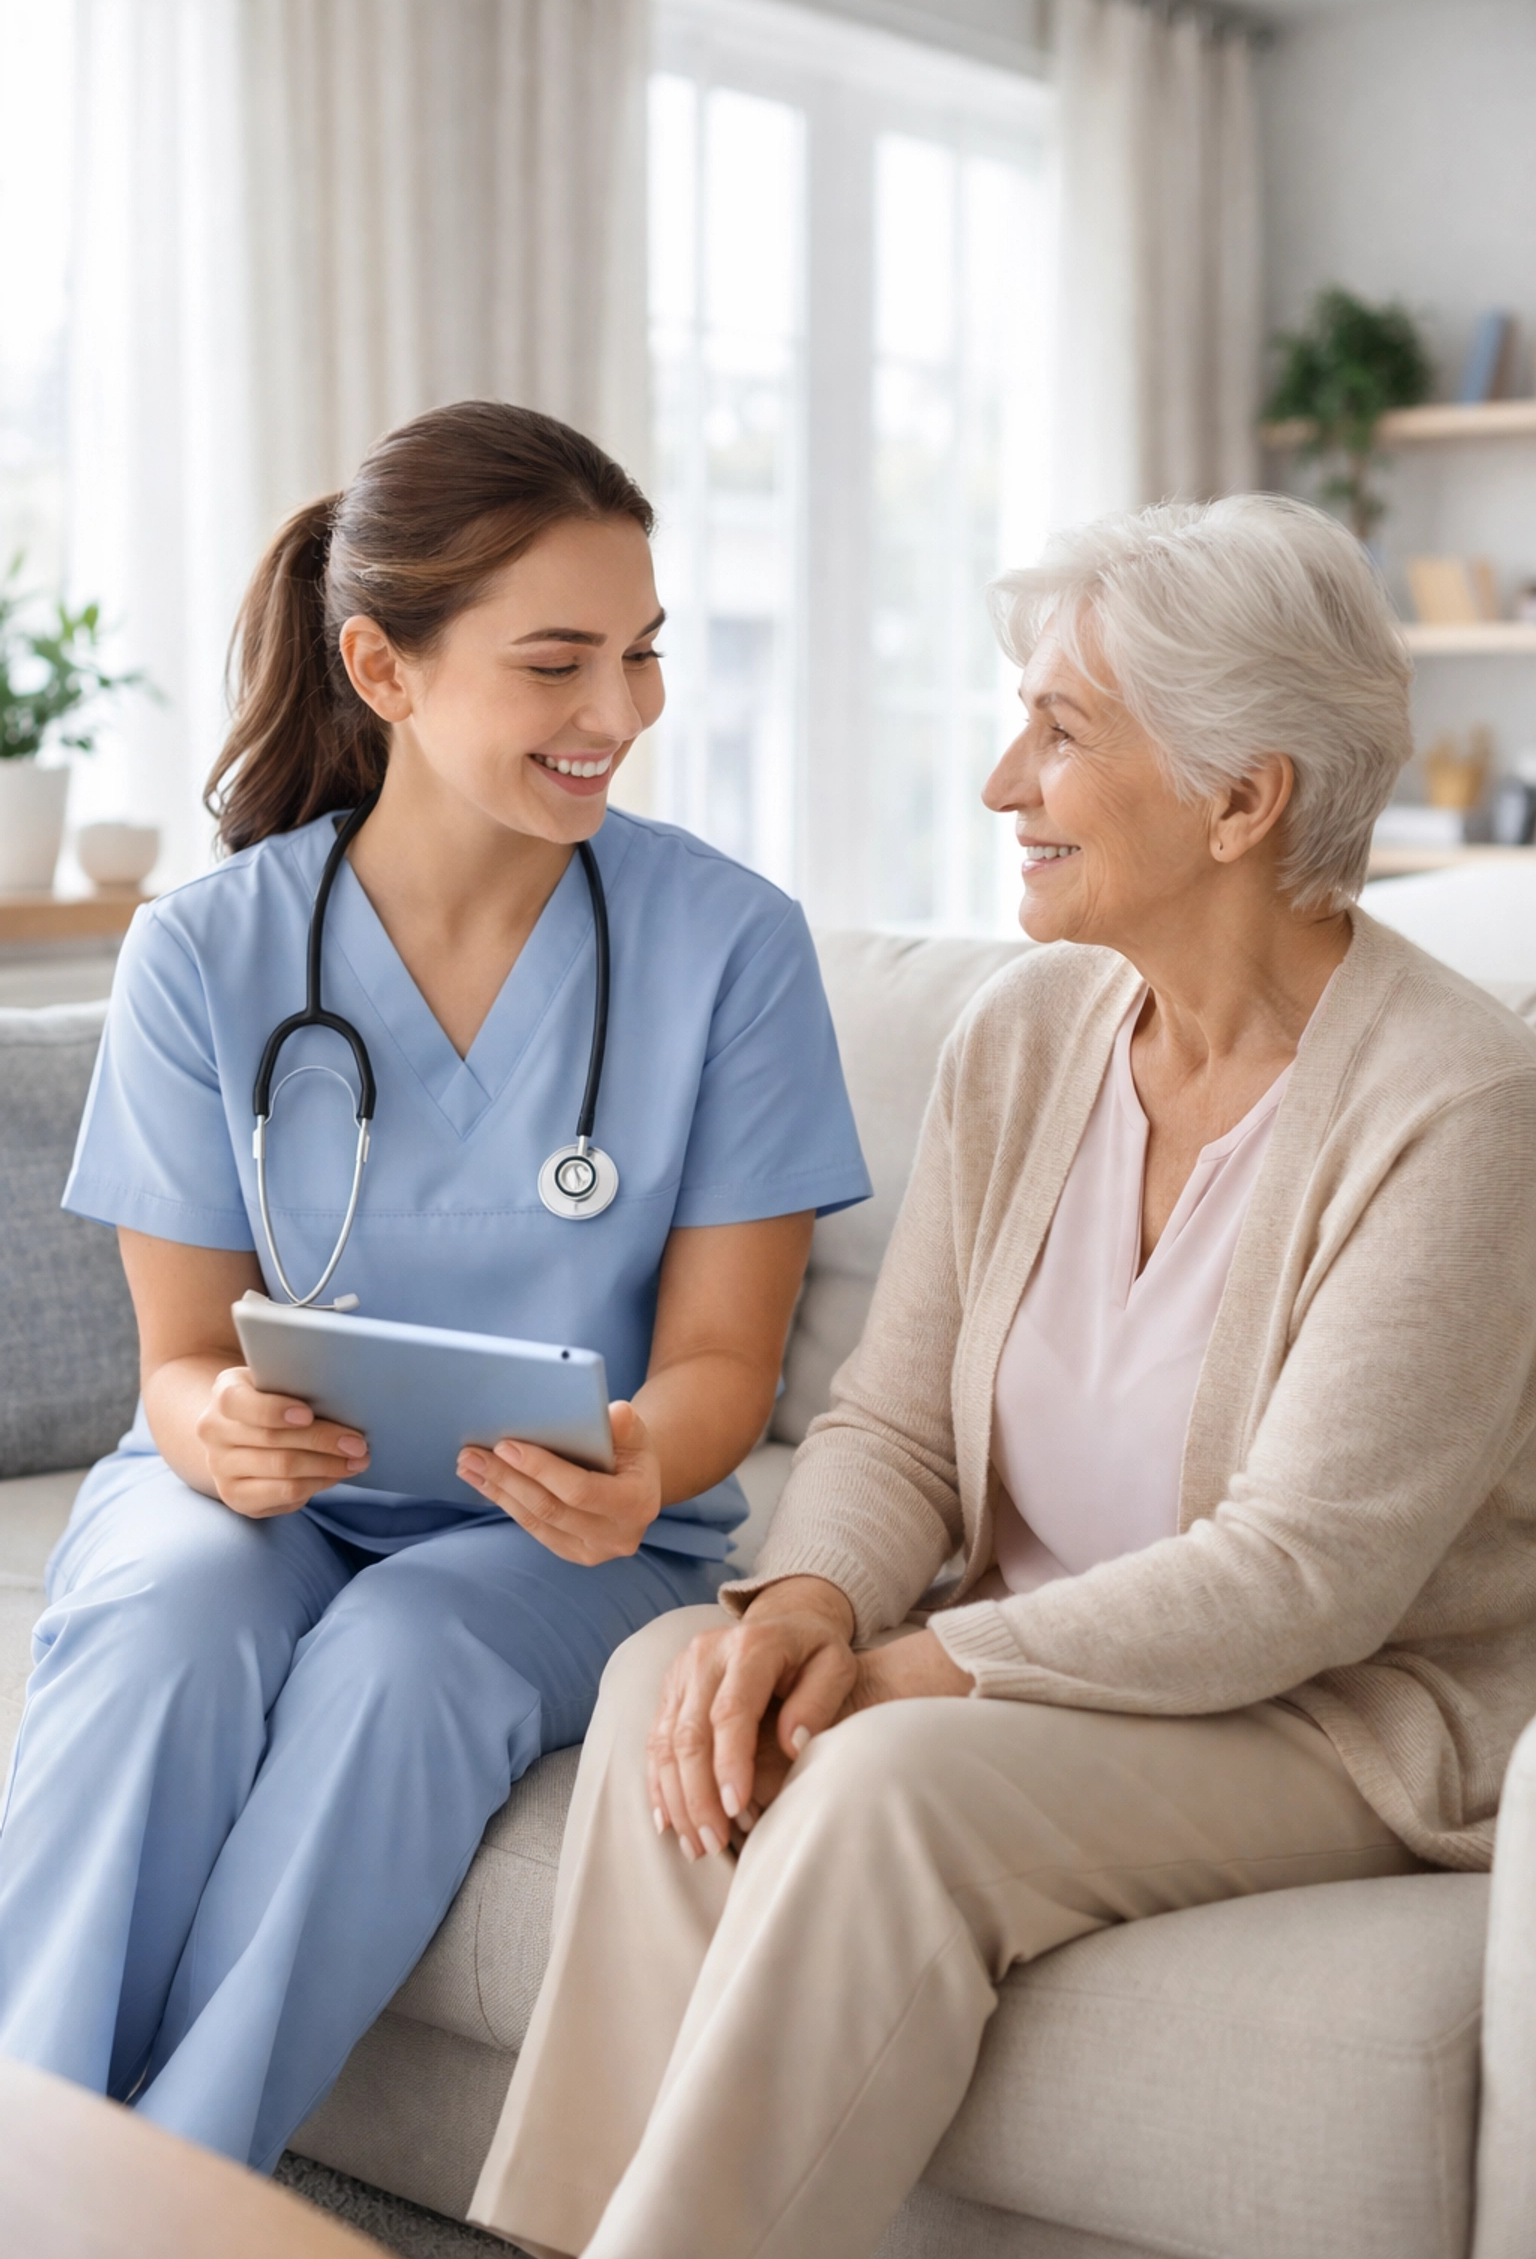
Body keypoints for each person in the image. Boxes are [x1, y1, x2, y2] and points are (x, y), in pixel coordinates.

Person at [470, 494, 1536, 2259]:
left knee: (879, 1780)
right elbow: (890, 1421)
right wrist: (808, 1605)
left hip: (1329, 1714)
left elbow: (1303, 1578)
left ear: (1240, 798)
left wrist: (915, 1669)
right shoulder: (1028, 1036)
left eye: (1060, 732)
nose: (998, 785)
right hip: (1037, 1648)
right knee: (694, 1671)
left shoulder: (1457, 1105)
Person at [0, 401, 869, 2174]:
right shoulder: (211, 948)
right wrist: (215, 1431)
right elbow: (175, 1364)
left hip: (566, 1534)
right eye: (558, 664)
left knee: (403, 1655)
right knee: (168, 1624)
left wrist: (636, 1452)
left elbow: (720, 1364)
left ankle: (165, 2193)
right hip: (258, 1503)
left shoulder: (731, 950)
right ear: (381, 668)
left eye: (641, 657)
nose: (620, 716)